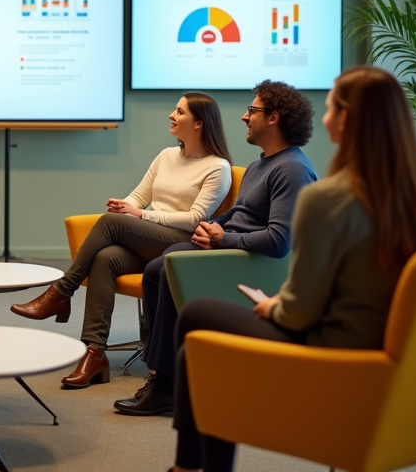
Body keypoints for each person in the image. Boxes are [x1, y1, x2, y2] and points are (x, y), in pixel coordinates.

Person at [167, 66, 416, 472]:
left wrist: (272, 307)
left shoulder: (328, 197)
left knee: (196, 323)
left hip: (338, 359)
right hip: (411, 367)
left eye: (330, 109)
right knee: (200, 345)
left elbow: (300, 312)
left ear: (345, 120)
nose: (324, 119)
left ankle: (187, 466)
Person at [115, 80, 317, 416]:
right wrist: (216, 225)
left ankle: (166, 382)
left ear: (274, 118)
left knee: (167, 265)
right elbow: (239, 214)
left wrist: (223, 238)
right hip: (229, 248)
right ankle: (166, 370)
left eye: (252, 110)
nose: (244, 116)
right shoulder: (260, 164)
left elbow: (280, 241)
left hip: (248, 261)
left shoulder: (292, 170)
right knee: (156, 270)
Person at [10, 93, 233, 388]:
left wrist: (139, 216)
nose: (171, 115)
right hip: (151, 238)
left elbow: (195, 218)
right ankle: (94, 353)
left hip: (184, 243)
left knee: (111, 223)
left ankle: (62, 292)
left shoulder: (218, 167)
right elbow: (139, 196)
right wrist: (125, 206)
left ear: (199, 124)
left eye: (179, 111)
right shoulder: (166, 156)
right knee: (106, 259)